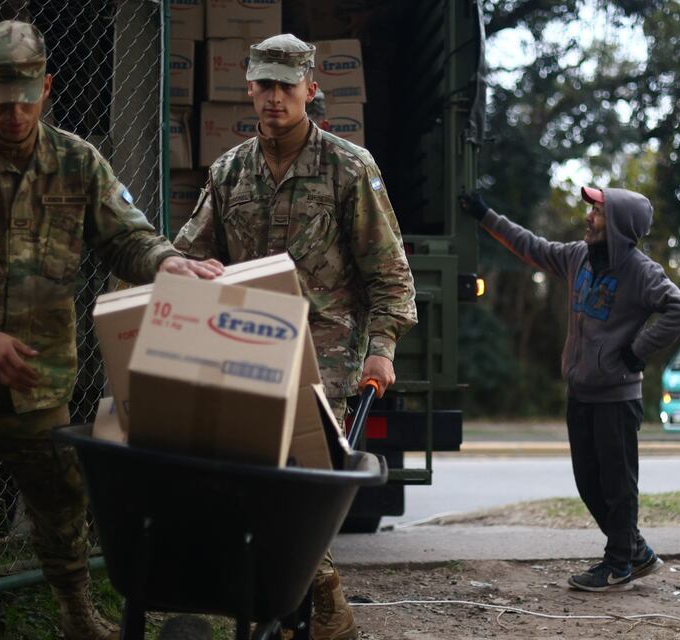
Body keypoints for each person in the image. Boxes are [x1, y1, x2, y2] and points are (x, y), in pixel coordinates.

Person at [0, 21, 221, 640]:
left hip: (35, 380)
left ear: (48, 86)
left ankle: (77, 618)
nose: (15, 114)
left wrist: (168, 263)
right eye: (2, 102)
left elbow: (125, 236)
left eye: (27, 99)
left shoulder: (78, 162)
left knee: (62, 505)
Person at [174, 33, 417, 640]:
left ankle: (300, 607)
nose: (275, 98)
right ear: (249, 88)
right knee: (246, 482)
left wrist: (382, 349)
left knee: (296, 487)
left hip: (326, 353)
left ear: (311, 89)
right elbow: (188, 255)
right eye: (265, 85)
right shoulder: (230, 171)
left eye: (288, 86)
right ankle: (316, 599)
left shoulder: (348, 169)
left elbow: (390, 275)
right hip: (247, 346)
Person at [461, 186, 680, 592]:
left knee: (618, 486)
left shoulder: (642, 272)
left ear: (619, 224)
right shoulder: (577, 257)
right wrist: (485, 215)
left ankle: (619, 562)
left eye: (599, 213)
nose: (589, 217)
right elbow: (530, 246)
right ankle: (635, 552)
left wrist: (637, 351)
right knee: (589, 483)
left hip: (617, 397)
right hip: (581, 391)